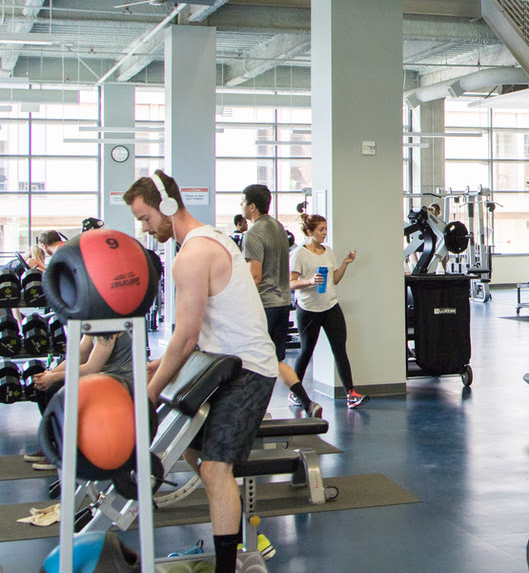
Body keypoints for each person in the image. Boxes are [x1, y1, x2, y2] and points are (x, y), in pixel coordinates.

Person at [124, 170, 277, 573]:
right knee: (195, 455)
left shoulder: (193, 254)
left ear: (167, 206)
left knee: (214, 469)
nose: (144, 228)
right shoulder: (208, 239)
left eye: (145, 218)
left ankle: (230, 563)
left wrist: (151, 391)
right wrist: (159, 366)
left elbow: (186, 335)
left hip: (249, 370)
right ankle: (237, 536)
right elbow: (206, 330)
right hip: (221, 363)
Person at [240, 184, 322, 418]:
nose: (241, 206)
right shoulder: (278, 227)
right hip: (283, 303)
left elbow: (255, 276)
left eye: (243, 202)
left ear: (252, 206)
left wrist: (241, 305)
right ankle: (307, 403)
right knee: (274, 360)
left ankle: (255, 411)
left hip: (264, 306)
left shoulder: (253, 233)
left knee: (252, 360)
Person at [23, 330, 134, 470]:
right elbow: (79, 355)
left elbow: (92, 368)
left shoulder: (108, 329)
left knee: (56, 390)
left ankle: (64, 453)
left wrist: (53, 377)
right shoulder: (93, 325)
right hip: (102, 379)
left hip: (119, 384)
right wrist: (49, 374)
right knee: (44, 388)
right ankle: (53, 445)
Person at [289, 213, 366, 409]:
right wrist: (309, 281)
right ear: (309, 232)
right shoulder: (299, 254)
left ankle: (351, 394)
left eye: (325, 229)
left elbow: (335, 280)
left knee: (340, 349)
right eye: (321, 230)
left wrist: (345, 263)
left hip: (330, 306)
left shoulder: (328, 251)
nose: (325, 233)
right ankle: (295, 392)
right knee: (306, 351)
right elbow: (290, 283)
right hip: (308, 309)